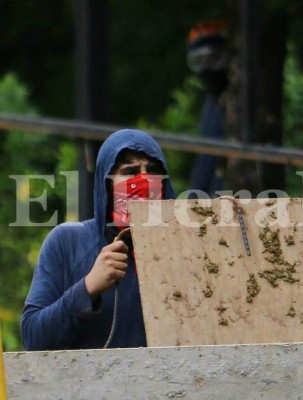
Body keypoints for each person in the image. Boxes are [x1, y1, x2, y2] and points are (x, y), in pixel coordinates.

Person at [21, 129, 176, 350]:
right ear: (106, 184)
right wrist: (87, 288)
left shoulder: (183, 250)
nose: (144, 180)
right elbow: (33, 340)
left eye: (153, 171)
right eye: (130, 172)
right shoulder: (67, 242)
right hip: (87, 383)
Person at [186, 20, 228, 196]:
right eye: (200, 61)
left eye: (213, 59)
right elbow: (204, 163)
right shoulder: (212, 102)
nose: (206, 68)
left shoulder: (227, 103)